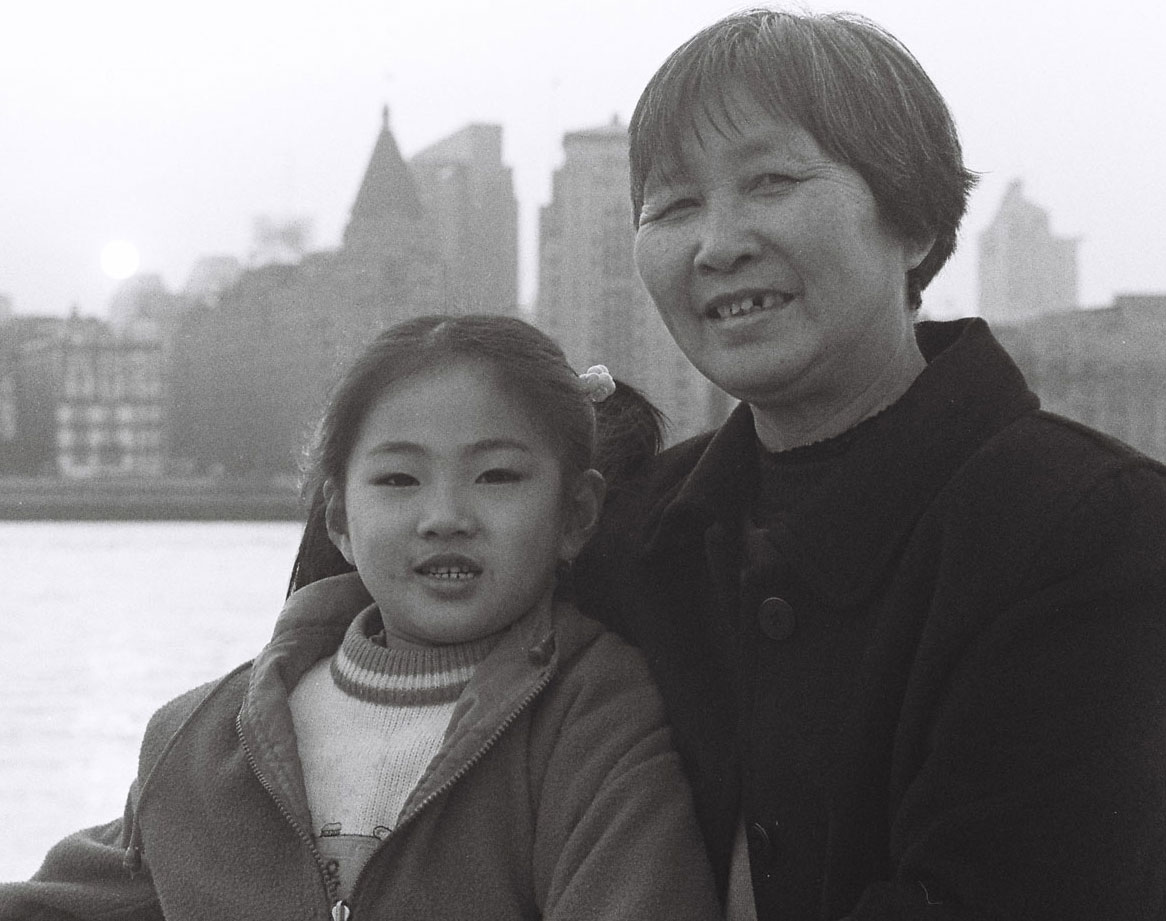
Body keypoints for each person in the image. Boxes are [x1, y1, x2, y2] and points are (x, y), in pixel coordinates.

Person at [570, 9, 1166, 921]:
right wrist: (508, 443)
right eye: (675, 205)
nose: (717, 243)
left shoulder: (1086, 530)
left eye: (770, 180)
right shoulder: (630, 529)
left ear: (914, 223)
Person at [0, 315, 720, 921]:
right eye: (399, 479)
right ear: (339, 519)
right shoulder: (207, 736)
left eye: (496, 475)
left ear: (576, 515)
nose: (445, 517)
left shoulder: (591, 719)